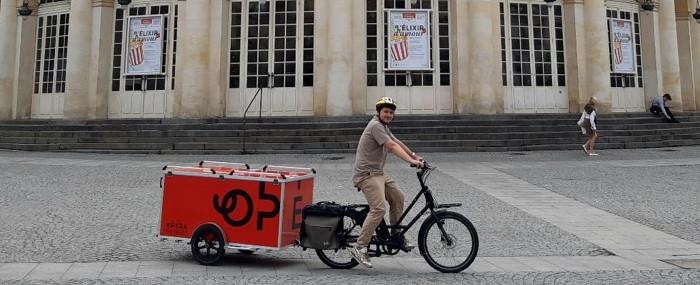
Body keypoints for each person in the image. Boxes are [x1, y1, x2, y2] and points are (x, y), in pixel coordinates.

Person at [349, 97, 424, 268]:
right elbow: (390, 146)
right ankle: (360, 247)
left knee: (398, 197)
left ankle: (396, 235)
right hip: (366, 175)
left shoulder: (383, 126)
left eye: (391, 112)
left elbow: (396, 142)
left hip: (378, 173)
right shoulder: (375, 125)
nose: (389, 114)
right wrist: (410, 162)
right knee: (379, 208)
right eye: (386, 111)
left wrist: (414, 155)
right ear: (379, 112)